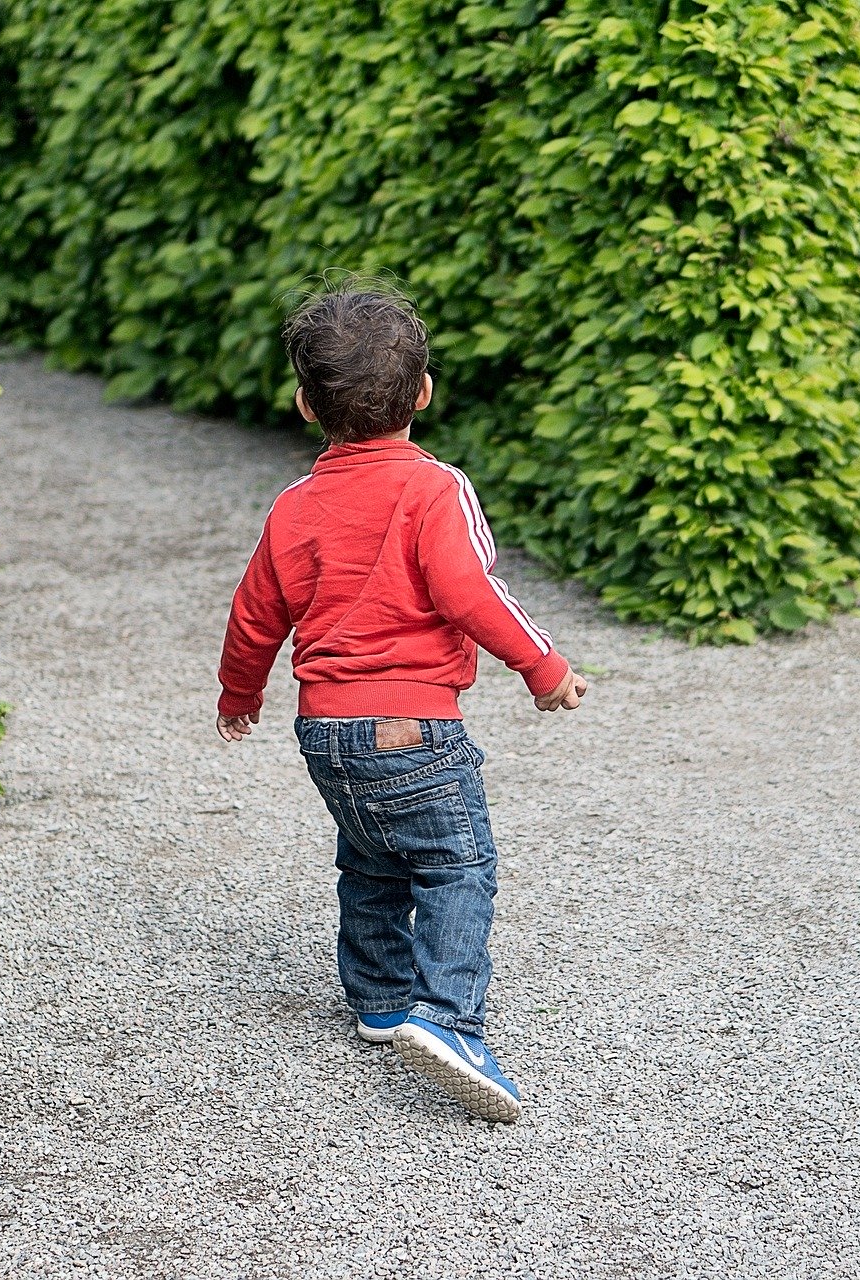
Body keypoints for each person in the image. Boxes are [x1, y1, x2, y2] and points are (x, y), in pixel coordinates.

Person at [215, 282, 587, 1123]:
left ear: (307, 404)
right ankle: (448, 1018)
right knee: (458, 864)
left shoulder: (293, 507)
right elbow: (471, 591)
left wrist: (241, 693)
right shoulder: (434, 488)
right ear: (424, 392)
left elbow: (254, 612)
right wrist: (543, 666)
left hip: (325, 730)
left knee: (372, 855)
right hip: (412, 726)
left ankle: (380, 999)